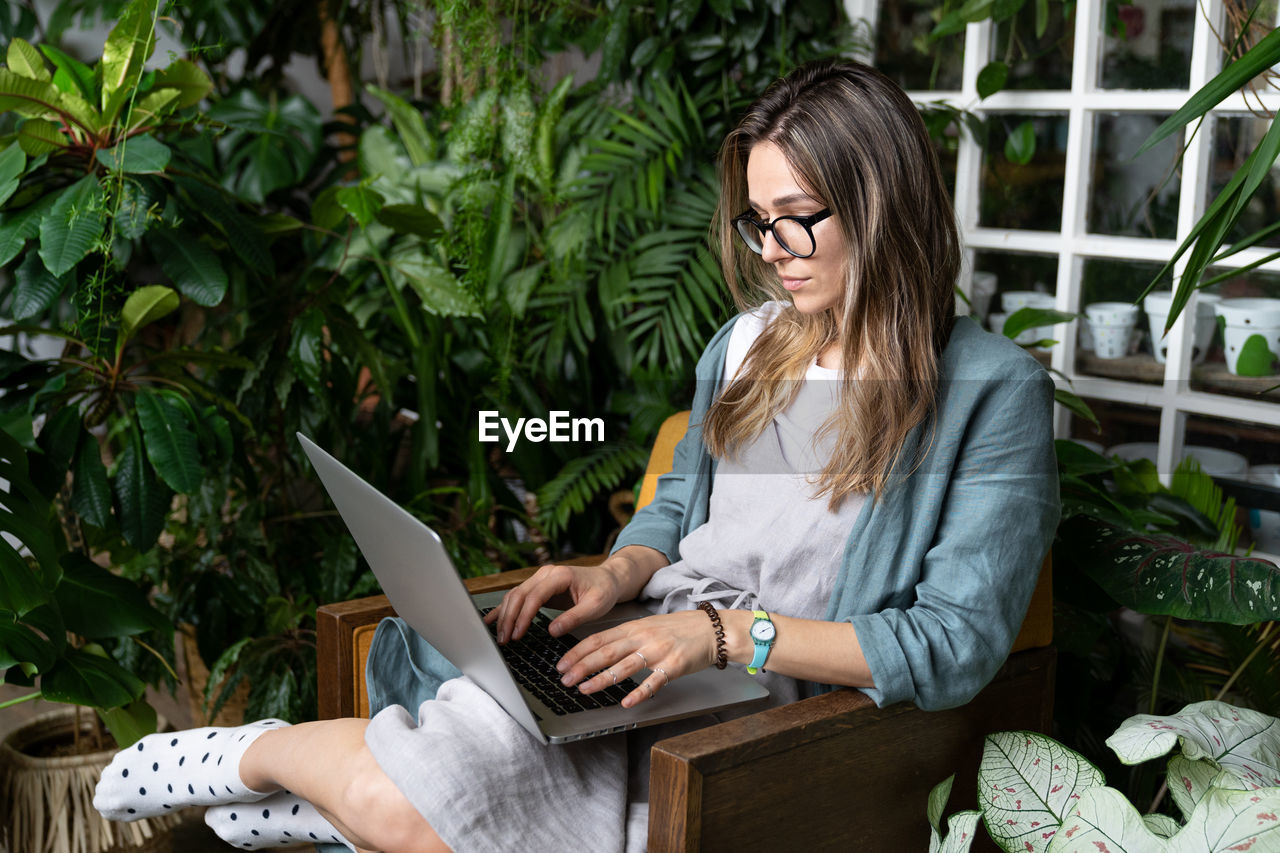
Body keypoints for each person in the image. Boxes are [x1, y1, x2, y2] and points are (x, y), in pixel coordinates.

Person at [94, 59, 1059, 853]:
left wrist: (727, 637)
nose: (775, 249)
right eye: (759, 222)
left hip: (769, 702)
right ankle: (289, 773)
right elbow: (681, 502)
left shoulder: (987, 390)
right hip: (653, 654)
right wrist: (620, 570)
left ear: (882, 204)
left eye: (798, 215)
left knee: (405, 814)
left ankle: (264, 762)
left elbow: (952, 644)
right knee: (436, 787)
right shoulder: (748, 344)